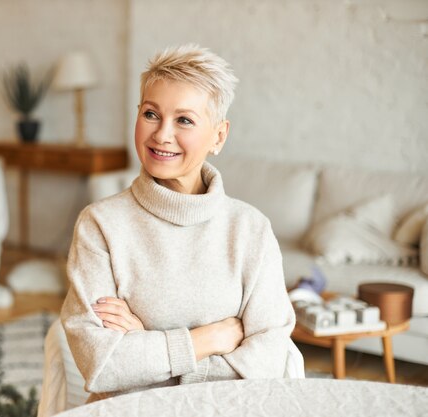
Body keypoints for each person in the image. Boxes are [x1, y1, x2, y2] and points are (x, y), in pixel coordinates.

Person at [60, 44, 297, 404]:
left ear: (219, 136)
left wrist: (147, 347)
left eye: (184, 120)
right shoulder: (100, 225)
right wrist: (210, 339)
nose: (161, 134)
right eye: (151, 114)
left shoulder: (251, 230)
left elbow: (268, 360)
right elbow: (101, 364)